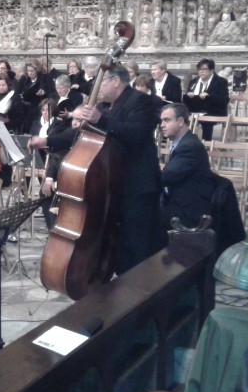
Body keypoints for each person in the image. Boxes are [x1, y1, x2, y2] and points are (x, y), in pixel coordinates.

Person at [32, 65, 162, 274]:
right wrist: (48, 140)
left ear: (116, 81)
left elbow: (136, 132)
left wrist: (100, 119)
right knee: (118, 241)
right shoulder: (105, 107)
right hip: (113, 182)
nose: (97, 88)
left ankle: (139, 285)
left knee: (136, 242)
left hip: (136, 185)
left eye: (101, 83)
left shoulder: (140, 101)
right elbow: (79, 133)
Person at [159, 103, 215, 233]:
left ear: (180, 122)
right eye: (161, 121)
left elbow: (167, 177)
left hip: (188, 212)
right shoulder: (183, 142)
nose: (162, 125)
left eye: (167, 120)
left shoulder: (189, 146)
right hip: (179, 203)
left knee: (139, 217)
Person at [183, 58, 230, 141]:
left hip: (214, 111)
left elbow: (224, 100)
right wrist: (189, 95)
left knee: (206, 120)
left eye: (204, 69)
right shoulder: (193, 81)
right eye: (199, 69)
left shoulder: (220, 82)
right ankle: (187, 141)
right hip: (195, 110)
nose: (201, 71)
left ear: (211, 70)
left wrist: (209, 96)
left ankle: (206, 143)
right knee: (181, 117)